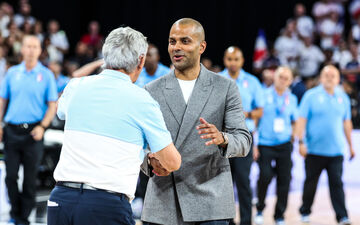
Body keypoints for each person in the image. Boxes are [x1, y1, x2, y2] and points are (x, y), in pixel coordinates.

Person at [47, 26, 181, 225]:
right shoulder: (142, 100)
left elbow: (64, 113)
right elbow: (172, 162)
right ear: (141, 60)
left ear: (105, 55)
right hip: (105, 206)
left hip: (61, 200)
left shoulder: (76, 86)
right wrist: (149, 157)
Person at [141, 18, 252, 225]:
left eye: (185, 41)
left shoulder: (225, 88)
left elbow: (244, 140)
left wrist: (223, 138)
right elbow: (137, 145)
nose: (176, 47)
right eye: (172, 41)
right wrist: (149, 160)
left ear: (202, 47)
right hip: (164, 202)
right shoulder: (151, 90)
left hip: (211, 202)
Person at [0, 35, 58, 225]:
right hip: (12, 130)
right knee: (10, 176)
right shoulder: (12, 73)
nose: (31, 50)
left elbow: (52, 105)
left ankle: (23, 218)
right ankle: (15, 214)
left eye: (35, 46)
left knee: (30, 179)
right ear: (22, 49)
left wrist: (43, 126)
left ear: (40, 50)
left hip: (34, 131)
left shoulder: (46, 75)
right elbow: (2, 100)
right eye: (28, 46)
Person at [296, 65, 355, 225]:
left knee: (337, 184)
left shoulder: (343, 97)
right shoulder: (310, 96)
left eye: (333, 75)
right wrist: (300, 142)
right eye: (326, 75)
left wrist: (350, 145)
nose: (329, 77)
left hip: (336, 151)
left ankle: (342, 216)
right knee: (310, 184)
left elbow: (347, 122)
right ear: (320, 78)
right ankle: (305, 211)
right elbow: (301, 120)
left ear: (338, 79)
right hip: (314, 151)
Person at [219, 46, 264, 225]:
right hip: (222, 137)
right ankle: (227, 221)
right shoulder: (217, 80)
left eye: (236, 59)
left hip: (244, 136)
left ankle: (246, 221)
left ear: (242, 61)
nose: (233, 63)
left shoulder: (252, 82)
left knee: (243, 181)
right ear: (225, 60)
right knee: (224, 182)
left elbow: (260, 110)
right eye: (230, 59)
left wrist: (246, 114)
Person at [253, 67, 298, 225]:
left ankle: (279, 215)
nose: (283, 80)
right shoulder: (263, 95)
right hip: (265, 144)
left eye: (286, 78)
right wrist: (254, 144)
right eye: (280, 77)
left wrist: (293, 137)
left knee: (284, 179)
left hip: (284, 144)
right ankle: (259, 208)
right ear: (275, 77)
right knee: (265, 176)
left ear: (290, 81)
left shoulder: (292, 99)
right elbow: (256, 120)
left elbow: (294, 120)